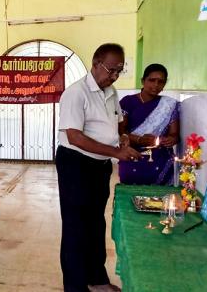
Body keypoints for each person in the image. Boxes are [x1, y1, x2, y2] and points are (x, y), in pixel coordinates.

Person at [56, 43, 141, 292]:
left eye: (119, 71)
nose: (114, 75)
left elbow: (119, 123)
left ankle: (97, 278)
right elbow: (75, 137)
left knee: (95, 223)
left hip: (99, 166)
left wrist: (122, 138)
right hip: (76, 165)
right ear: (95, 63)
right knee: (75, 226)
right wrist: (117, 152)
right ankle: (75, 286)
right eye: (111, 69)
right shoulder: (76, 93)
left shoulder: (110, 91)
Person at [118, 63, 179, 185]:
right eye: (152, 80)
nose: (156, 85)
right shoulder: (128, 102)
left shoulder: (169, 105)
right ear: (143, 81)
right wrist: (140, 140)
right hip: (132, 157)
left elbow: (174, 134)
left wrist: (171, 140)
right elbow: (120, 132)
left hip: (160, 160)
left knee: (160, 200)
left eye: (161, 82)